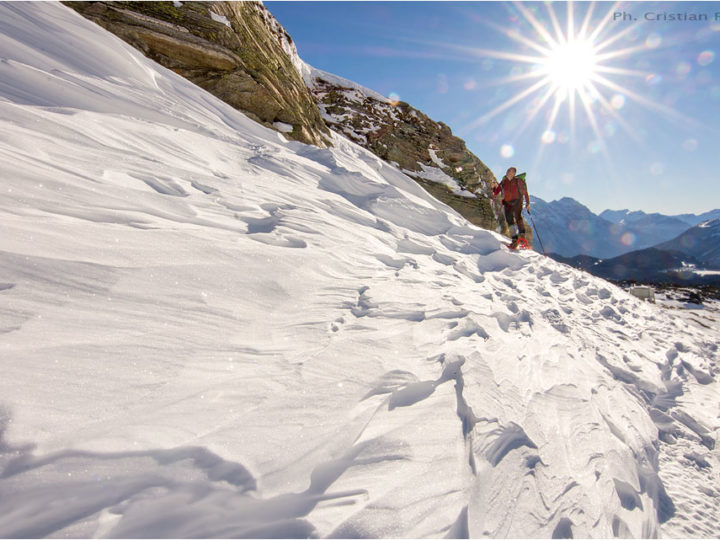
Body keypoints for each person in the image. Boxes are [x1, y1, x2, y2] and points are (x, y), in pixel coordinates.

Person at [492, 167, 530, 248]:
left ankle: (522, 237)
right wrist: (494, 186)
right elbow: (496, 192)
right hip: (507, 204)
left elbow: (525, 192)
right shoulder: (504, 181)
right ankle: (515, 240)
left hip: (517, 202)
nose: (508, 172)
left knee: (518, 218)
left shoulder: (518, 181)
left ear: (514, 174)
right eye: (507, 170)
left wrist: (527, 203)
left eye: (510, 171)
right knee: (509, 221)